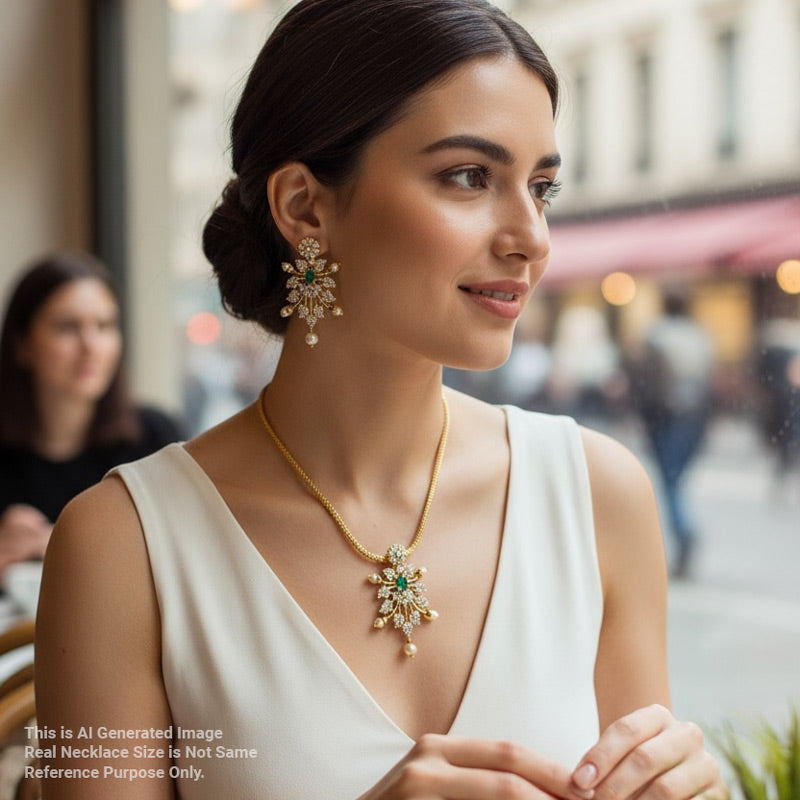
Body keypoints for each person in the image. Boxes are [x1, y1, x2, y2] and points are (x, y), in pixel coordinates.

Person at [35, 2, 727, 798]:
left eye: (542, 186)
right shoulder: (117, 547)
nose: (532, 236)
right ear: (304, 207)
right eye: (470, 176)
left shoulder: (601, 497)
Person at [0, 252, 183, 577]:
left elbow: (185, 563)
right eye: (67, 327)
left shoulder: (155, 439)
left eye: (104, 326)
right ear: (22, 345)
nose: (91, 346)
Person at [628, 289, 715, 579]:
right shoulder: (699, 337)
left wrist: (643, 418)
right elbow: (708, 385)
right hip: (693, 419)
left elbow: (645, 385)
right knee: (677, 478)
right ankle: (684, 530)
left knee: (671, 481)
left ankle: (684, 529)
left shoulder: (656, 336)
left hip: (665, 418)